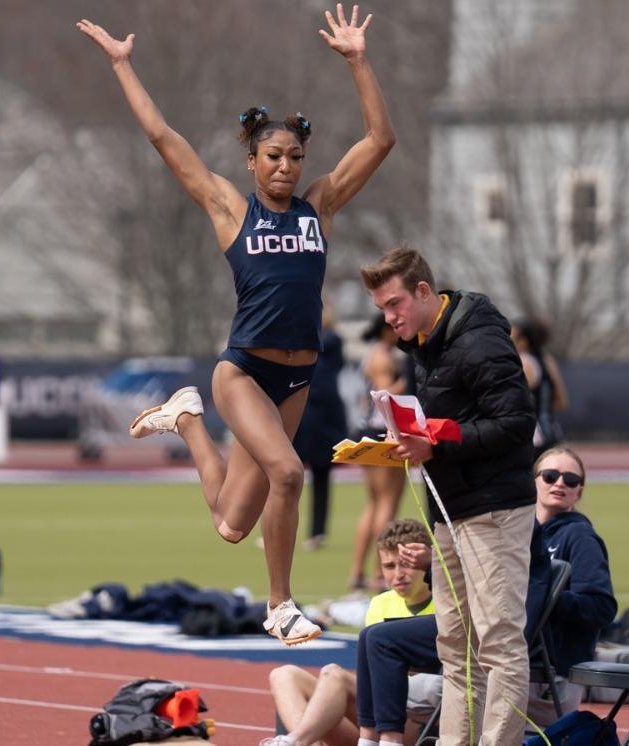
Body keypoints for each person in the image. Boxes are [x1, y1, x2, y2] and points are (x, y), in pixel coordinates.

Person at [77, 3, 394, 645]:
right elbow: (165, 139)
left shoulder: (319, 207)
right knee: (288, 474)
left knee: (230, 524)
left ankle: (188, 419)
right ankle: (281, 604)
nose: (285, 167)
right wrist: (123, 66)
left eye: (295, 157)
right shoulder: (230, 208)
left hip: (297, 379)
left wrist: (359, 62)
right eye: (273, 156)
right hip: (245, 371)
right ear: (252, 159)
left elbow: (380, 140)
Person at [360, 245, 537, 746]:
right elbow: (445, 430)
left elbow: (518, 423)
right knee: (454, 646)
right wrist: (407, 444)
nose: (389, 318)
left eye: (394, 304)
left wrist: (438, 438)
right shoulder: (425, 344)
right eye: (381, 310)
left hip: (494, 511)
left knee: (499, 643)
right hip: (449, 510)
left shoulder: (478, 339)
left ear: (423, 291)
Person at [266, 519, 434, 746]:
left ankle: (296, 741)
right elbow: (370, 676)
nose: (398, 574)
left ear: (424, 563)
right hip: (372, 720)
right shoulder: (379, 604)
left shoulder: (444, 606)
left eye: (406, 564)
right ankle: (302, 743)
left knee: (334, 674)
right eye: (389, 566)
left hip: (414, 722)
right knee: (284, 675)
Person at [528, 445, 616, 725]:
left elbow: (601, 608)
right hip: (518, 662)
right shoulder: (518, 533)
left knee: (445, 698)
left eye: (571, 480)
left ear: (579, 491)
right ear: (534, 481)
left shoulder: (579, 538)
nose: (559, 483)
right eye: (550, 475)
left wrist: (547, 596)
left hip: (551, 676)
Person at [350, 312, 409, 591]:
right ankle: (378, 574)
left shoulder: (372, 354)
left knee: (373, 504)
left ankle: (357, 572)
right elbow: (386, 396)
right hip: (383, 432)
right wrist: (410, 381)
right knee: (387, 504)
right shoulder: (384, 357)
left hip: (367, 431)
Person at [292, 307, 348, 551]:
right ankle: (277, 528)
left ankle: (317, 533)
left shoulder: (331, 342)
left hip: (322, 422)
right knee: (286, 476)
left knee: (321, 477)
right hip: (304, 418)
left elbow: (324, 342)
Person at [510, 318, 568, 455]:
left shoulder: (523, 362)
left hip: (532, 437)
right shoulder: (548, 361)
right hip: (552, 433)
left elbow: (511, 402)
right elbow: (562, 402)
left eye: (511, 335)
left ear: (523, 341)